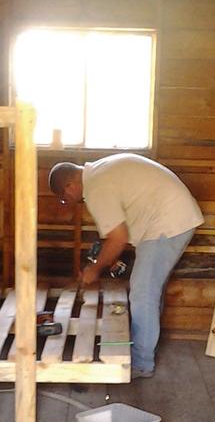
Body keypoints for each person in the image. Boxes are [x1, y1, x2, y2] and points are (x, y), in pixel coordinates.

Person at [49, 153, 204, 379]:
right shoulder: (100, 172)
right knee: (149, 289)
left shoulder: (96, 188)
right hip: (171, 217)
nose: (69, 203)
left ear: (70, 186)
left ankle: (142, 362)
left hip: (168, 221)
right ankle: (144, 348)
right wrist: (106, 259)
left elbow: (118, 238)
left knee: (142, 292)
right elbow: (118, 234)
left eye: (64, 198)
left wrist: (95, 269)